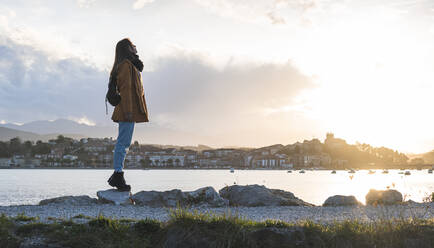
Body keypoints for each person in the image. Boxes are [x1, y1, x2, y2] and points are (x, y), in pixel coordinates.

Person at [107, 38, 149, 191]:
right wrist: (129, 111)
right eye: (133, 46)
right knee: (123, 144)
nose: (135, 47)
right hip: (126, 110)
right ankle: (118, 176)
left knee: (123, 143)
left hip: (127, 110)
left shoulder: (131, 64)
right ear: (127, 49)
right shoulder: (126, 66)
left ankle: (117, 176)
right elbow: (126, 91)